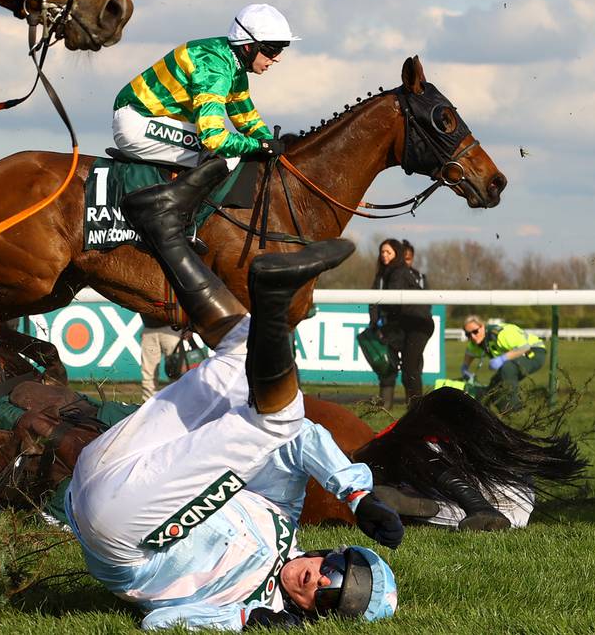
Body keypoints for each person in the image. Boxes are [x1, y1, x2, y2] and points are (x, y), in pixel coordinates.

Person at [67, 158, 401, 630]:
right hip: (105, 465)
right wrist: (357, 495)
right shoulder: (282, 512)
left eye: (330, 599)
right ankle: (162, 226)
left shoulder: (249, 605)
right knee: (246, 357)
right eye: (336, 569)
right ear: (332, 552)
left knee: (278, 416)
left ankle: (273, 305)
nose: (320, 580)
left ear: (316, 615)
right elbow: (301, 439)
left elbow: (159, 624)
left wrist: (247, 619)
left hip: (122, 535)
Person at [111, 4, 295, 170]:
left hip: (151, 121)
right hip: (139, 123)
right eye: (273, 49)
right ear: (248, 47)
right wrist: (261, 146)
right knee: (227, 157)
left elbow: (246, 118)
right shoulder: (213, 67)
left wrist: (270, 142)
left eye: (282, 49)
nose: (277, 58)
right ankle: (172, 208)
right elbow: (213, 137)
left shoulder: (232, 63)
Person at [368, 239, 434, 408]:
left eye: (388, 252)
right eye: (382, 252)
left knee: (410, 370)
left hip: (418, 325)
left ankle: (417, 409)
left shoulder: (399, 272)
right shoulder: (385, 274)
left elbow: (391, 302)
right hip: (406, 324)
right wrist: (376, 323)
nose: (384, 255)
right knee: (405, 368)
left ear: (396, 254)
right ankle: (400, 407)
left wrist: (381, 320)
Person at [460, 315, 546, 413]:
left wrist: (502, 359)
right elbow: (469, 352)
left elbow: (524, 348)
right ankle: (499, 412)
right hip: (516, 358)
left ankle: (515, 410)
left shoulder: (499, 334)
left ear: (482, 326)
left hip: (533, 353)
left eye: (475, 332)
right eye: (468, 334)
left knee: (507, 368)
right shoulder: (475, 341)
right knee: (494, 386)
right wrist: (464, 368)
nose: (473, 336)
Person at [139, 317, 184, 400]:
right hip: (149, 328)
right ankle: (148, 405)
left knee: (176, 370)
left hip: (171, 329)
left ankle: (177, 402)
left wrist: (187, 328)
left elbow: (183, 304)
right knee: (148, 373)